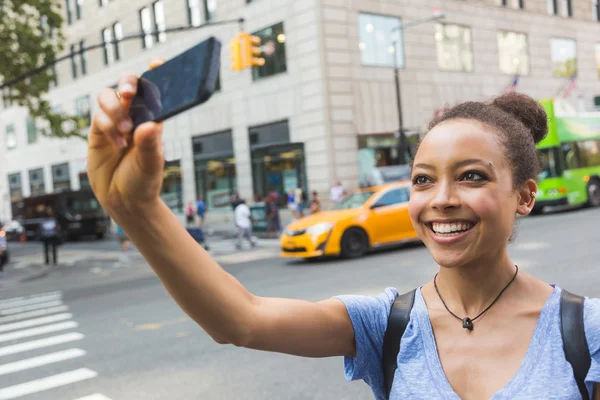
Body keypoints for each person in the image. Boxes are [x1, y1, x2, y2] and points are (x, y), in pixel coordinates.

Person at [88, 66, 599, 399]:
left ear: (526, 196)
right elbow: (241, 321)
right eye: (423, 179)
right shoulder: (387, 324)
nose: (440, 198)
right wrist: (139, 211)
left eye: (472, 176)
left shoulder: (585, 331)